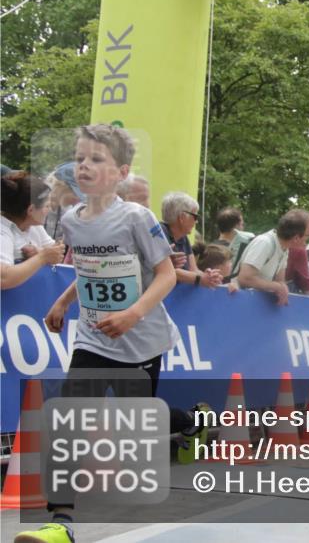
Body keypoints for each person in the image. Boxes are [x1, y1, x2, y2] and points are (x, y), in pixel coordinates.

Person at [17, 124, 206, 543]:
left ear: (121, 172)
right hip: (92, 336)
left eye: (96, 159)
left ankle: (191, 421)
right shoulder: (70, 218)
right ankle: (60, 522)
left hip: (140, 337)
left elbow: (166, 275)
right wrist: (64, 302)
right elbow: (86, 266)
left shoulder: (136, 218)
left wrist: (134, 314)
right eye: (80, 158)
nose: (84, 165)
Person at [1, 172, 64, 289]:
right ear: (31, 210)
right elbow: (3, 279)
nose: (50, 210)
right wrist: (41, 258)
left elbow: (57, 253)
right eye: (47, 206)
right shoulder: (2, 231)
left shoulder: (34, 225)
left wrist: (39, 252)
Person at [236, 209, 309, 306]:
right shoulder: (265, 242)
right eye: (307, 236)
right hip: (238, 302)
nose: (307, 242)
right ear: (296, 238)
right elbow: (244, 278)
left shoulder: (284, 249)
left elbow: (280, 281)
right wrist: (277, 287)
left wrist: (282, 287)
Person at [160, 192, 223, 289]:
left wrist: (209, 276)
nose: (196, 221)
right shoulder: (160, 234)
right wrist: (200, 278)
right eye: (195, 217)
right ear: (182, 217)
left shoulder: (183, 237)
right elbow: (167, 270)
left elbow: (193, 269)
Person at [211, 207, 254, 273]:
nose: (243, 228)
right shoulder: (246, 243)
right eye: (242, 224)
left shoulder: (210, 249)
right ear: (236, 226)